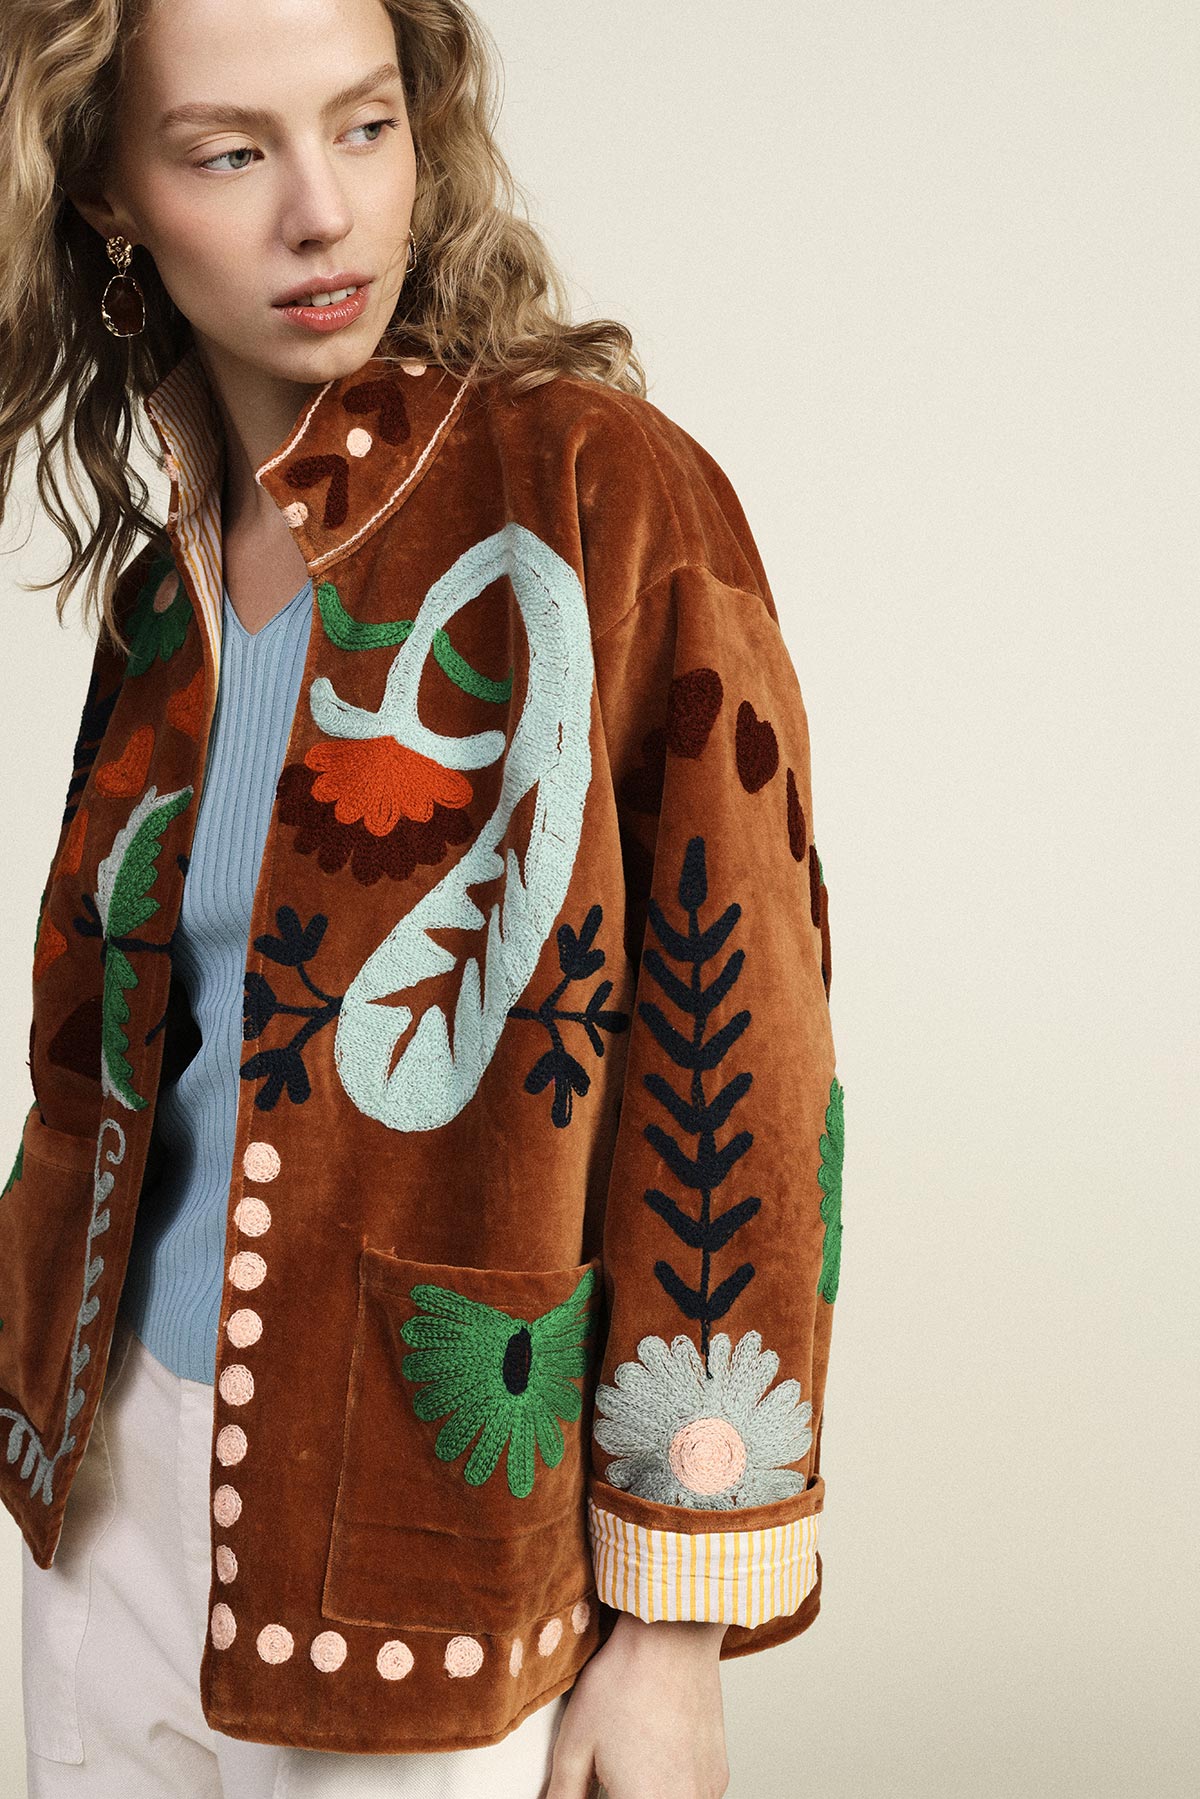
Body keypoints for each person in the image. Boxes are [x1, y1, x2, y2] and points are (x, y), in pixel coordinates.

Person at [0, 1, 842, 1796]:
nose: (323, 211)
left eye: (364, 125)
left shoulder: (606, 493)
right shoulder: (170, 579)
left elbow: (746, 1069)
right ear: (108, 193)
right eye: (231, 151)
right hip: (105, 1505)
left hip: (427, 1532)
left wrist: (672, 1632)